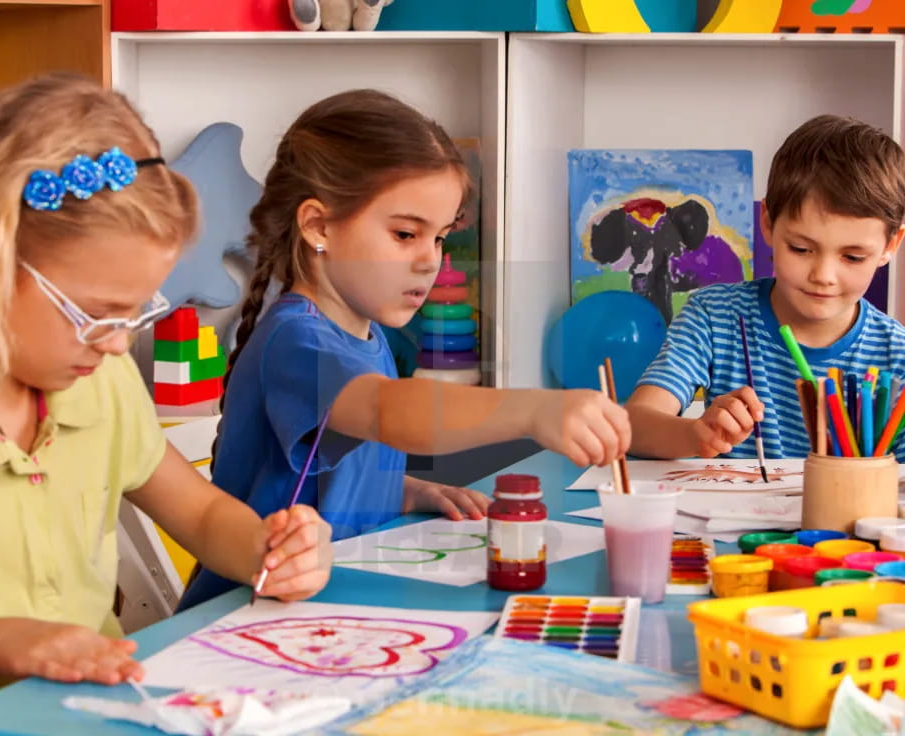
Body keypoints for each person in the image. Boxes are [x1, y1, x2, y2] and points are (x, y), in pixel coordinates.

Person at [179, 89, 632, 609]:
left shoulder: (367, 337)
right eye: (404, 234)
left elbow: (324, 476)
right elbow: (384, 410)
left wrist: (408, 490)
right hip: (244, 615)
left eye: (439, 238)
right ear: (318, 226)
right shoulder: (296, 341)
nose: (429, 261)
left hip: (330, 603)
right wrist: (534, 408)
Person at [0, 73, 333, 693]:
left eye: (136, 313)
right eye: (94, 312)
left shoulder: (100, 381)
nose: (119, 344)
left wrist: (268, 549)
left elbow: (198, 513)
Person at [627, 114, 905, 461]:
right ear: (769, 224)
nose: (823, 275)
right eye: (802, 249)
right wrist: (696, 434)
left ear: (891, 246)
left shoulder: (898, 354)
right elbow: (636, 425)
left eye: (852, 257)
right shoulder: (714, 316)